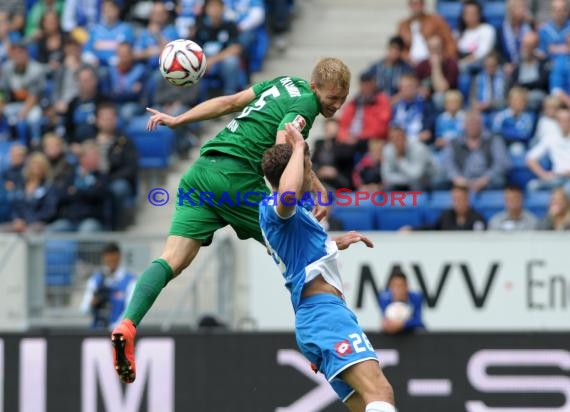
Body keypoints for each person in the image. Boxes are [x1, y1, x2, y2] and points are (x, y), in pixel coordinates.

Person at [110, 57, 350, 384]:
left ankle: (128, 323)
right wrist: (301, 201)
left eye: (341, 99)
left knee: (173, 259)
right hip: (236, 178)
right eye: (331, 98)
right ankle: (320, 344)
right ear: (314, 88)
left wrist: (180, 119)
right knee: (305, 251)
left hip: (201, 171)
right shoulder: (306, 104)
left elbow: (230, 102)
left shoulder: (282, 82)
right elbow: (284, 151)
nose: (335, 105)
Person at [259, 123, 395, 412]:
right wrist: (298, 149)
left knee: (366, 404)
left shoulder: (288, 216)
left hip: (320, 318)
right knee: (380, 391)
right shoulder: (277, 209)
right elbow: (288, 193)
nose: (311, 173)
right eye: (308, 168)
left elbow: (304, 251)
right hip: (324, 316)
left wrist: (335, 244)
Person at [81, 242, 137, 329]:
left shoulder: (130, 281)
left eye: (114, 260)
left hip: (119, 333)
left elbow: (130, 311)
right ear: (104, 258)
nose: (111, 262)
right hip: (98, 330)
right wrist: (92, 303)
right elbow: (84, 309)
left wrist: (114, 328)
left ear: (119, 257)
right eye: (108, 259)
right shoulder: (96, 280)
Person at [378, 266, 425, 335]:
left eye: (400, 286)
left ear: (407, 286)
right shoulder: (384, 298)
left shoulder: (416, 297)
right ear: (390, 287)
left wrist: (403, 324)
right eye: (395, 286)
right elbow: (384, 320)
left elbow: (419, 321)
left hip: (411, 335)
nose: (398, 290)